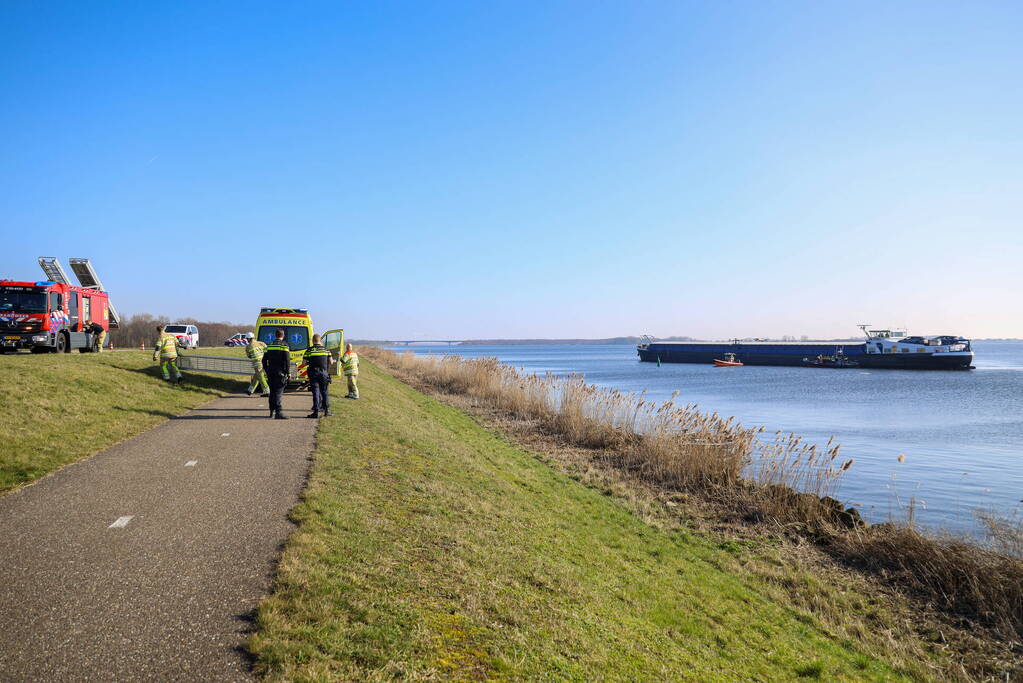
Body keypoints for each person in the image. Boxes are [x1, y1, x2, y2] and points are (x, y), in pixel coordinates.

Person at [261, 329, 291, 419]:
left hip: (270, 371)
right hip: (280, 372)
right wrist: (288, 372)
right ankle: (279, 412)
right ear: (283, 335)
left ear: (275, 335)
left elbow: (263, 360)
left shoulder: (269, 346)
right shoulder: (284, 346)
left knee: (272, 391)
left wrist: (267, 369)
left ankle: (271, 411)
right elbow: (287, 360)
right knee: (278, 392)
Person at [303, 334, 333, 418]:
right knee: (324, 392)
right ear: (320, 340)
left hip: (313, 374)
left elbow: (304, 363)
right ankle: (327, 411)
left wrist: (310, 362)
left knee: (315, 392)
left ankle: (315, 412)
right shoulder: (326, 350)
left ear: (313, 340)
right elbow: (331, 362)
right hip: (323, 373)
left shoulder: (309, 350)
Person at [244, 332, 270, 396]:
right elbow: (267, 351)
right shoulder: (261, 343)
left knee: (261, 377)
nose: (247, 340)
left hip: (257, 364)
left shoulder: (248, 347)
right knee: (256, 376)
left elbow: (249, 356)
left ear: (249, 339)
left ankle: (267, 391)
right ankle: (250, 390)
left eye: (247, 339)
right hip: (264, 362)